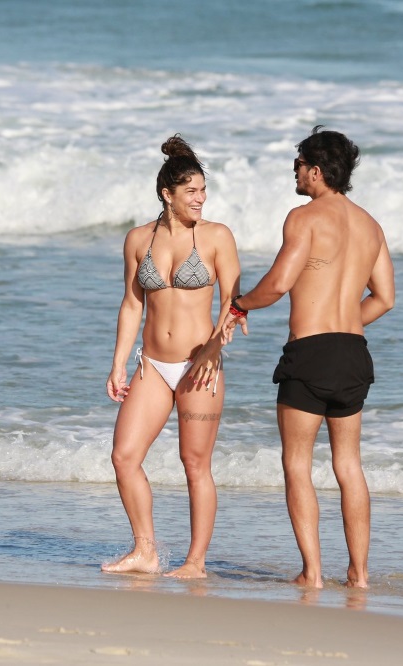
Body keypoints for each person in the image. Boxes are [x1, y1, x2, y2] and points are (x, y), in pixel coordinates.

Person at [215, 126, 395, 588]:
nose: (294, 172)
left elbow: (276, 285)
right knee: (348, 465)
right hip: (353, 353)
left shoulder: (305, 217)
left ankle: (313, 573)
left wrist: (238, 305)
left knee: (297, 462)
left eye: (297, 165)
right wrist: (344, 325)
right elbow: (385, 298)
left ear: (315, 171)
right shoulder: (370, 225)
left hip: (310, 353)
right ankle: (359, 574)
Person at [104, 135, 240, 579]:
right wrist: (119, 362)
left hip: (199, 367)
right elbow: (131, 304)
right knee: (124, 456)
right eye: (192, 192)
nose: (200, 199)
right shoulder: (139, 239)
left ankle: (195, 563)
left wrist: (216, 346)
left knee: (195, 463)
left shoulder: (217, 237)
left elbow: (232, 304)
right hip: (153, 366)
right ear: (168, 194)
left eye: (203, 191)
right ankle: (145, 549)